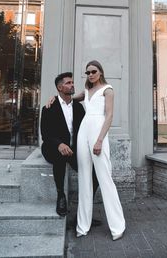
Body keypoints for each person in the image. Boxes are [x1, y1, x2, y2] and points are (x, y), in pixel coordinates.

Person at [75, 60, 125, 241]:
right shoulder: (87, 91)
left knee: (104, 177)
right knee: (84, 177)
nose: (90, 74)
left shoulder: (108, 90)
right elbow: (68, 98)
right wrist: (54, 98)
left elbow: (109, 116)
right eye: (87, 72)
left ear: (100, 72)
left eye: (93, 71)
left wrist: (99, 140)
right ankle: (82, 225)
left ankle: (117, 225)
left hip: (98, 133)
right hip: (83, 132)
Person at [40, 72, 99, 217]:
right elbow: (45, 134)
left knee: (96, 172)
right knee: (60, 157)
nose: (72, 85)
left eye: (72, 82)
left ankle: (85, 205)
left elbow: (85, 129)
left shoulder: (78, 108)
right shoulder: (49, 107)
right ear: (60, 87)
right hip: (53, 147)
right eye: (68, 83)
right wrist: (59, 144)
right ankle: (61, 196)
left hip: (74, 149)